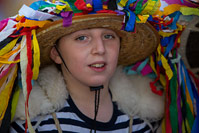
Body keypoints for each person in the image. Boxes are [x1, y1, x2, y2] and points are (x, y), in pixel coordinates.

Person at [0, 0, 164, 132]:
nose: (100, 49)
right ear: (56, 53)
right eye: (82, 38)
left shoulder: (143, 123)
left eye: (108, 36)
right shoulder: (33, 125)